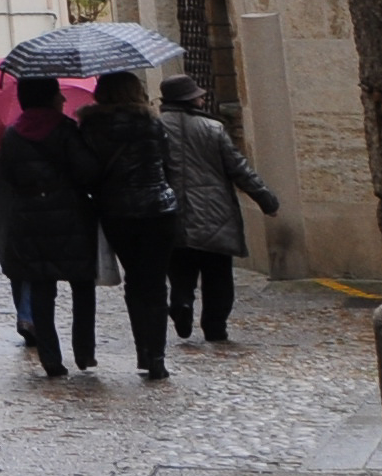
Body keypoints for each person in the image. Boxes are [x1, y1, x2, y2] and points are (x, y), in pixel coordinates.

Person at [159, 75, 282, 346]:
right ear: (189, 99)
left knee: (180, 269)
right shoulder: (212, 129)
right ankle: (215, 327)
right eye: (198, 95)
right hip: (215, 212)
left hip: (172, 213)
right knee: (217, 275)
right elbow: (239, 168)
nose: (203, 98)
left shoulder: (156, 128)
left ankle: (181, 302)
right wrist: (266, 200)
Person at [79, 67, 185, 378]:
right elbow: (168, 163)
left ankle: (144, 350)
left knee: (135, 281)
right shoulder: (151, 123)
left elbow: (88, 170)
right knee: (154, 282)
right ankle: (157, 356)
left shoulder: (90, 126)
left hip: (117, 211)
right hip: (159, 209)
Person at [0, 73, 102, 376]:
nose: (64, 99)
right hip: (71, 215)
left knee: (41, 288)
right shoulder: (67, 130)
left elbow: (8, 176)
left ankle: (50, 357)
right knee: (82, 284)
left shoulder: (11, 134)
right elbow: (87, 171)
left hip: (28, 216)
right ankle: (84, 351)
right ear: (50, 97)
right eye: (58, 93)